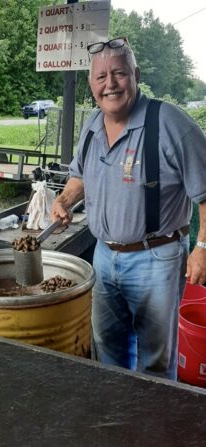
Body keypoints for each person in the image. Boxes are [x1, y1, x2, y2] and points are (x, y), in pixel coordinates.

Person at [51, 37, 206, 379]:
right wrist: (64, 200)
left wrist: (202, 248)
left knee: (155, 359)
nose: (110, 84)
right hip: (104, 256)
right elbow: (80, 177)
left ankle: (151, 427)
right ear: (91, 84)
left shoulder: (170, 124)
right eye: (101, 77)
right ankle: (116, 421)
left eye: (119, 73)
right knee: (107, 348)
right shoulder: (91, 125)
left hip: (157, 258)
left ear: (135, 74)